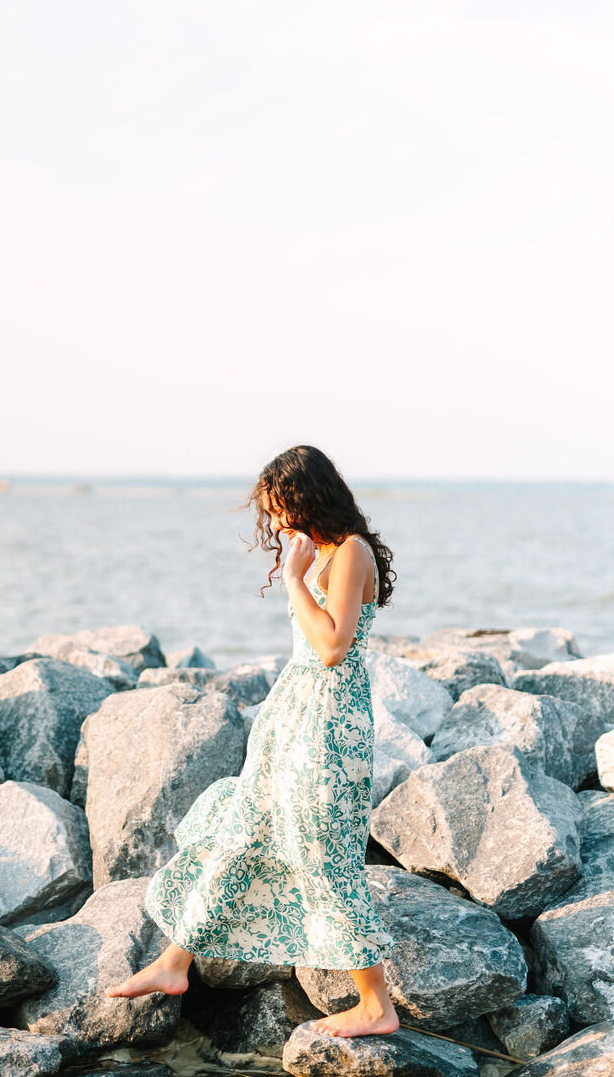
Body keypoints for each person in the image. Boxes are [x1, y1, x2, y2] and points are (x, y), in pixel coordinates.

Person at [107, 444, 400, 1037]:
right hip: (292, 718)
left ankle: (376, 1004)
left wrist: (293, 580)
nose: (277, 523)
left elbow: (333, 647)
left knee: (323, 853)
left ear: (308, 497)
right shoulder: (321, 552)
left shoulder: (350, 553)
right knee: (239, 830)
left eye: (280, 508)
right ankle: (173, 962)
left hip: (330, 726)